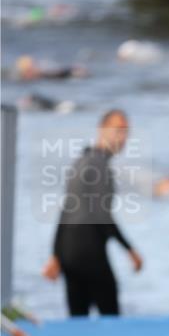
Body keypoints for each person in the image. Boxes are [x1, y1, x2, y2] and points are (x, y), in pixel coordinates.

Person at [42, 109, 143, 316]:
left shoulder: (81, 161)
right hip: (89, 251)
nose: (122, 137)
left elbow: (65, 210)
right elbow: (102, 216)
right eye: (117, 130)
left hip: (69, 253)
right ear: (102, 130)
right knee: (111, 319)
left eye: (126, 132)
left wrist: (56, 254)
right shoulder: (99, 166)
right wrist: (130, 250)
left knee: (78, 323)